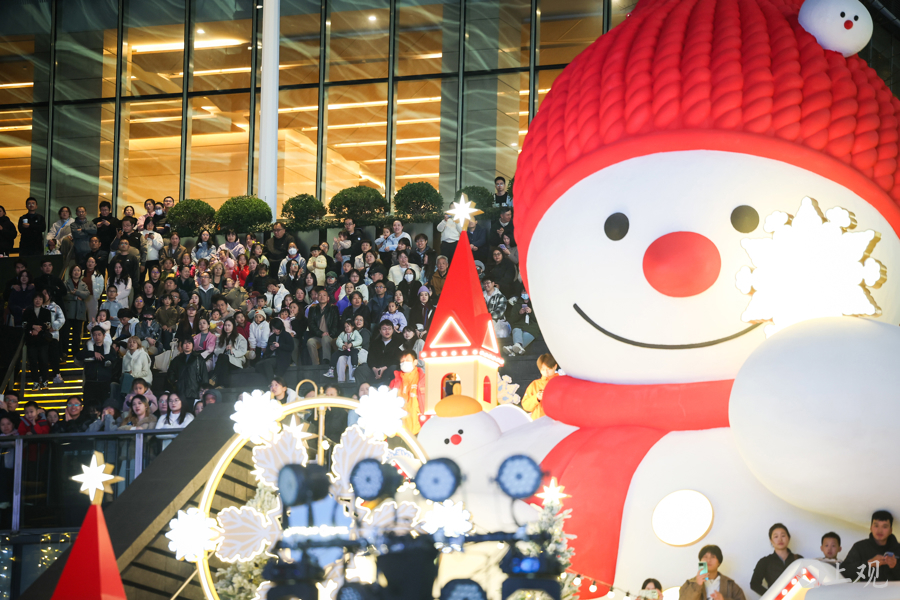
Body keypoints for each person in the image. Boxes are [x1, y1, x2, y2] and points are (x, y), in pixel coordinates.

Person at [840, 510, 900, 583]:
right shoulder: (860, 547)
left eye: (885, 527)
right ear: (871, 528)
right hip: (867, 589)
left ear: (890, 530)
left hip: (894, 590)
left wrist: (895, 565)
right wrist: (869, 563)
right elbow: (843, 572)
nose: (880, 530)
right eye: (876, 526)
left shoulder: (898, 548)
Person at [750, 524, 803, 595]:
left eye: (783, 536)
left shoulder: (799, 559)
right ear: (771, 540)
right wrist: (771, 596)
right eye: (776, 537)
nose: (780, 539)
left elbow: (806, 581)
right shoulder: (765, 561)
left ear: (789, 538)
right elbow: (754, 584)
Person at [679, 545, 746, 600]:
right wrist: (697, 585)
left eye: (713, 557)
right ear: (700, 561)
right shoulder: (689, 584)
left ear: (719, 562)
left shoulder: (730, 584)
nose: (708, 560)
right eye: (705, 557)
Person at [23, 292, 53, 390]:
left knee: (44, 360)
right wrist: (33, 327)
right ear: (33, 300)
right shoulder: (27, 311)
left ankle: (45, 380)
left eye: (40, 299)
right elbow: (24, 324)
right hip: (31, 340)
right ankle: (35, 381)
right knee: (33, 361)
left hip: (43, 340)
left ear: (43, 300)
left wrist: (38, 329)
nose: (38, 301)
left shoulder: (46, 312)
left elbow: (48, 324)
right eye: (36, 298)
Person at [356, 320, 402, 384]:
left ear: (393, 330)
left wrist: (383, 368)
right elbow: (370, 359)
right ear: (380, 331)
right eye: (384, 329)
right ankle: (364, 388)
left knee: (394, 368)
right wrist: (374, 369)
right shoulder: (374, 343)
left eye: (389, 329)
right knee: (360, 370)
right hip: (375, 369)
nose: (387, 331)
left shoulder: (398, 342)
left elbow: (397, 359)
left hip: (388, 369)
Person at [390, 352, 425, 434]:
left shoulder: (424, 380)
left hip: (419, 428)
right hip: (398, 430)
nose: (404, 363)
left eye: (408, 360)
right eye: (402, 361)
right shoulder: (394, 382)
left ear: (415, 362)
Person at [167, 338, 209, 405]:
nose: (187, 345)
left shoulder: (198, 358)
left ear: (193, 345)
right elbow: (170, 372)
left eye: (189, 343)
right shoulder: (177, 359)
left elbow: (204, 375)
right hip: (180, 392)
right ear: (182, 345)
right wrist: (175, 381)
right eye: (185, 343)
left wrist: (204, 390)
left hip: (195, 391)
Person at [307, 287, 340, 368]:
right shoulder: (313, 309)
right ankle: (315, 365)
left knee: (325, 338)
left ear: (328, 298)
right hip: (318, 336)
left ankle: (327, 363)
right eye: (320, 295)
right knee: (310, 342)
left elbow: (336, 324)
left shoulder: (333, 308)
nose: (322, 297)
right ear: (317, 298)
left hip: (329, 336)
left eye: (324, 295)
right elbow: (311, 324)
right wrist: (321, 333)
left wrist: (330, 334)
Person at [210, 318, 248, 388]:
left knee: (223, 358)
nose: (227, 327)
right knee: (223, 359)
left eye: (229, 325)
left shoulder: (239, 337)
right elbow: (216, 350)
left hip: (235, 361)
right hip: (223, 360)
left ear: (233, 326)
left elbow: (243, 350)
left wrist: (232, 351)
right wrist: (225, 350)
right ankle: (223, 385)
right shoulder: (220, 337)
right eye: (225, 325)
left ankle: (214, 376)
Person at [255, 319, 294, 384]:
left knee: (267, 363)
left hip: (282, 358)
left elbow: (291, 347)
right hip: (272, 357)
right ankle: (272, 378)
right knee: (258, 365)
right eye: (273, 329)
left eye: (277, 329)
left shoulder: (286, 335)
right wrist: (271, 349)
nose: (275, 330)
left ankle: (272, 383)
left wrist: (280, 345)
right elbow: (267, 351)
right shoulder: (272, 337)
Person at [521, 354, 558, 419]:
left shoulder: (562, 382)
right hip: (538, 421)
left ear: (555, 366)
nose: (546, 372)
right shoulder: (534, 384)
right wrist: (536, 398)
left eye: (548, 369)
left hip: (556, 421)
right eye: (543, 370)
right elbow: (526, 406)